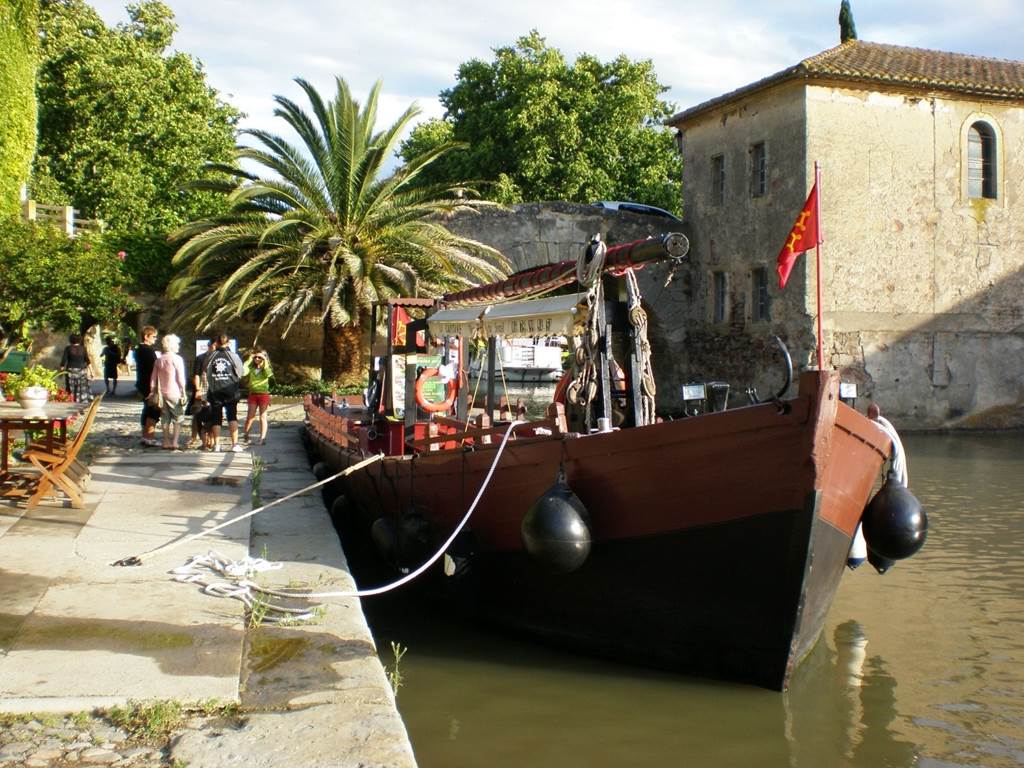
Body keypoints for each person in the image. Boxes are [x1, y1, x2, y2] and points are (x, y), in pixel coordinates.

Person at [203, 333, 245, 452]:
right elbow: (241, 372)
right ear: (228, 343)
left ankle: (217, 445)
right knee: (232, 416)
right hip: (230, 390)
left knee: (217, 418)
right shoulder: (233, 356)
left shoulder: (210, 356)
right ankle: (235, 444)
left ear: (216, 343)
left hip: (215, 390)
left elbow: (205, 371)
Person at [149, 334, 187, 450]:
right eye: (177, 344)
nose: (179, 346)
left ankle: (165, 441)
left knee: (165, 418)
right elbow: (180, 378)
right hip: (174, 392)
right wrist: (183, 391)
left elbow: (153, 378)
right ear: (173, 345)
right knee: (178, 418)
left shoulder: (159, 360)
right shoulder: (177, 359)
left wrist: (152, 391)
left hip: (162, 394)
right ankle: (175, 442)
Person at [134, 326, 160, 446]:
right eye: (153, 336)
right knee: (153, 409)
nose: (155, 339)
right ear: (146, 336)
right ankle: (149, 436)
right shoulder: (147, 350)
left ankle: (145, 435)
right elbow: (153, 367)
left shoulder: (139, 349)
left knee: (147, 408)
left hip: (142, 382)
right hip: (149, 384)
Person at [242, 348, 273, 445]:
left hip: (263, 394)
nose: (257, 359)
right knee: (250, 417)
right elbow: (243, 372)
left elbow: (269, 375)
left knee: (262, 417)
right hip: (253, 395)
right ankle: (246, 435)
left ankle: (262, 438)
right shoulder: (251, 368)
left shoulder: (266, 368)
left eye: (260, 357)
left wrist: (265, 361)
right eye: (255, 357)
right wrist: (249, 360)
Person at [188, 337, 214, 450]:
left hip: (214, 392)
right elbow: (196, 375)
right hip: (202, 390)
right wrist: (198, 390)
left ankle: (211, 439)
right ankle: (196, 437)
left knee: (213, 415)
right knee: (197, 415)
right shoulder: (201, 358)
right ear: (209, 345)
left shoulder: (219, 358)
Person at [60, 333, 93, 403]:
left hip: (70, 371)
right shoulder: (83, 348)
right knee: (81, 387)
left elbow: (64, 360)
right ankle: (81, 401)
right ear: (80, 340)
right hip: (81, 371)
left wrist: (61, 369)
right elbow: (87, 360)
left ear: (71, 340)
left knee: (70, 386)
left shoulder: (68, 348)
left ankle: (72, 400)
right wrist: (91, 372)